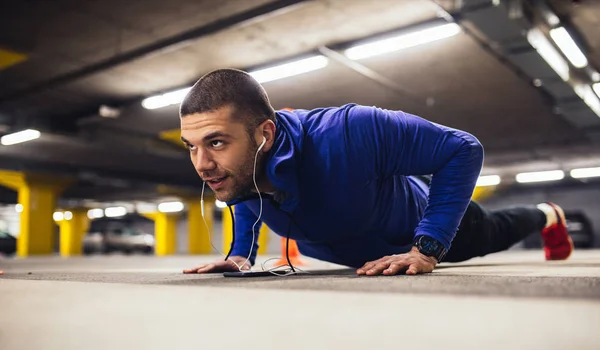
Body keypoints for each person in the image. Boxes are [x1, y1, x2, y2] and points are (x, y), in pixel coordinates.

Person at [180, 68, 573, 276]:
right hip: (358, 249)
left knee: (497, 230)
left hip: (425, 226)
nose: (201, 165)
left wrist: (428, 249)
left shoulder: (351, 131)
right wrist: (239, 256)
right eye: (192, 147)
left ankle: (548, 214)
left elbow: (462, 149)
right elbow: (248, 192)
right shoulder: (244, 169)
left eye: (216, 143)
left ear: (265, 134)